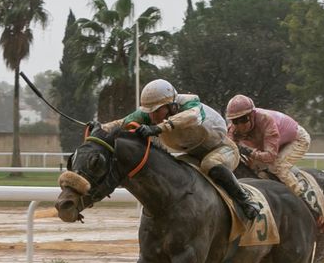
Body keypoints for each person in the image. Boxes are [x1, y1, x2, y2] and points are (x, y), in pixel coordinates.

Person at [103, 78, 257, 222]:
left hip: (222, 149)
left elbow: (191, 117)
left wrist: (157, 128)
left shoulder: (191, 104)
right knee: (174, 173)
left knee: (210, 164)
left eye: (157, 110)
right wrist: (101, 128)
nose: (152, 115)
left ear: (172, 106)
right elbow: (122, 122)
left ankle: (245, 201)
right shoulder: (151, 113)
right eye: (149, 111)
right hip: (192, 155)